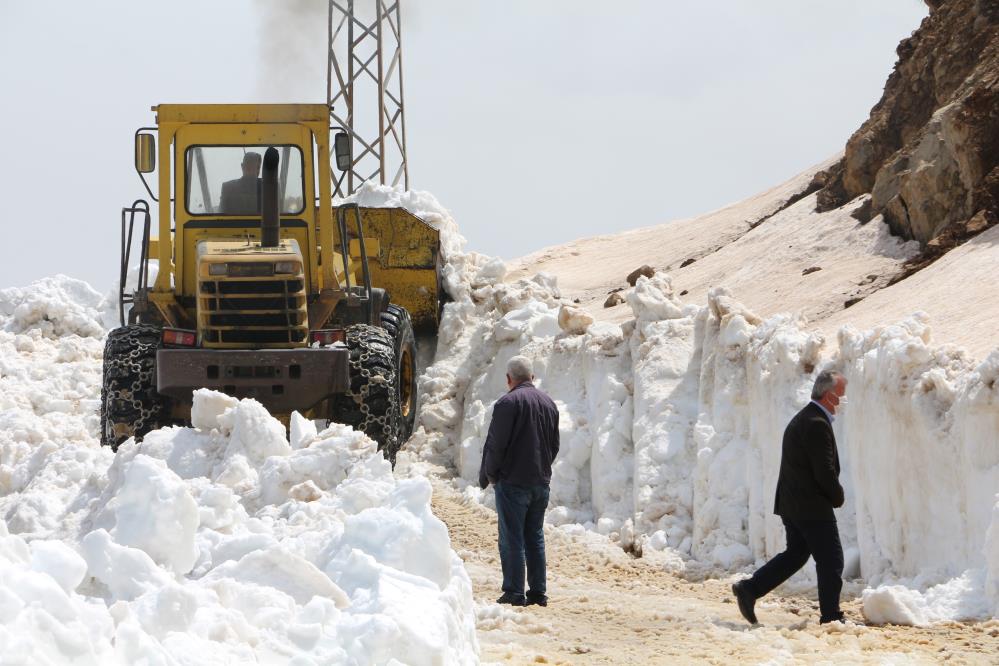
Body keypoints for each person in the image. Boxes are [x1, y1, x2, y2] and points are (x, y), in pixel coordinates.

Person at [732, 370, 848, 625]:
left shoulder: (806, 418)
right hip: (811, 505)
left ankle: (750, 589)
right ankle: (831, 616)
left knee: (796, 554)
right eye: (841, 395)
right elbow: (824, 470)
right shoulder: (816, 423)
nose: (843, 400)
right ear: (829, 396)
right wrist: (837, 496)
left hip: (793, 502)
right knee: (831, 559)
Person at [479, 356, 560, 607]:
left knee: (512, 537)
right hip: (540, 482)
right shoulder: (549, 403)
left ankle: (514, 591)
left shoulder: (507, 403)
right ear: (532, 377)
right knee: (534, 536)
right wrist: (542, 468)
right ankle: (538, 592)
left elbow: (496, 444)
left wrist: (491, 474)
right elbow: (554, 445)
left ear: (508, 379)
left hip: (512, 481)